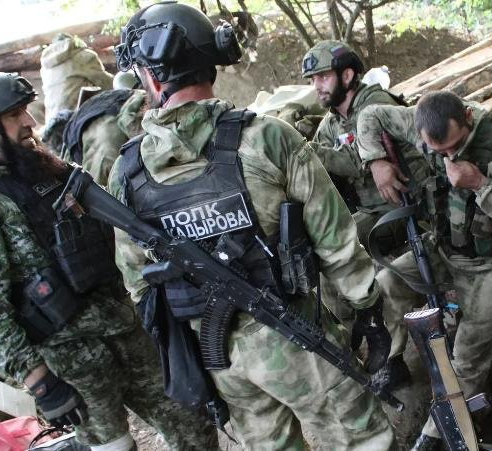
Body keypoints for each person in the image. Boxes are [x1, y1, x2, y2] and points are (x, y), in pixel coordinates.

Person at [108, 2, 396, 449]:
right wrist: (368, 307)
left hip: (216, 356)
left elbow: (138, 281)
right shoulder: (266, 137)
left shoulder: (127, 172)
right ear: (211, 64)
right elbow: (335, 240)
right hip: (295, 341)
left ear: (153, 78)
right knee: (362, 441)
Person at [0, 72, 217, 450]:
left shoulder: (44, 168)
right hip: (67, 360)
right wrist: (40, 382)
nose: (30, 121)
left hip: (123, 329)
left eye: (25, 110)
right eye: (15, 115)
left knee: (194, 423)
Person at [357, 90, 492, 450]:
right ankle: (394, 363)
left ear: (468, 118)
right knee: (385, 285)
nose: (449, 157)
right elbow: (370, 116)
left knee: (466, 359)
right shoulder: (419, 122)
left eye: (456, 146)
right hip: (444, 249)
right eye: (438, 151)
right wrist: (377, 161)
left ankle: (432, 438)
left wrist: (480, 185)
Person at [301, 39, 428, 387]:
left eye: (323, 77)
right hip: (374, 211)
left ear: (347, 75)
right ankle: (351, 339)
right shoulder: (331, 123)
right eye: (312, 80)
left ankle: (392, 358)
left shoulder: (375, 105)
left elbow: (354, 161)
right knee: (322, 256)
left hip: (408, 208)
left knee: (365, 264)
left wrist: (304, 150)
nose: (316, 86)